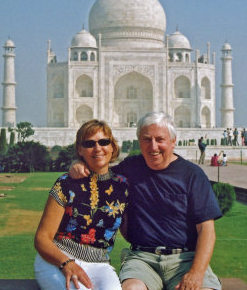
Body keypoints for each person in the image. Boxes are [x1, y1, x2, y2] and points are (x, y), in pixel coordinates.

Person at [71, 112, 222, 290]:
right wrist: (77, 164)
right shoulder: (130, 168)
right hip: (143, 259)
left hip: (186, 259)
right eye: (146, 139)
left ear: (173, 141)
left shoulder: (191, 175)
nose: (153, 146)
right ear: (139, 141)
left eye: (160, 139)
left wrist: (196, 273)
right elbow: (100, 173)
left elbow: (206, 230)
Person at [34, 119, 129, 290]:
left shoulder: (123, 186)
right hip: (58, 260)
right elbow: (42, 239)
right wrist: (66, 263)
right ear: (80, 149)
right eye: (89, 143)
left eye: (103, 142)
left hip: (100, 265)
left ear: (112, 147)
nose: (98, 148)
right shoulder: (66, 183)